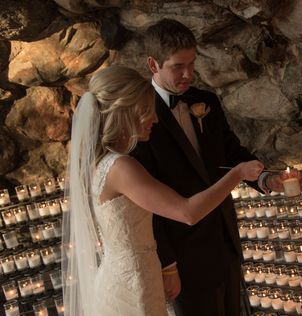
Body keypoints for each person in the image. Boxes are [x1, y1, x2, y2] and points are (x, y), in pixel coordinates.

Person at [62, 65, 264, 316]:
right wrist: (237, 174)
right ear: (125, 113)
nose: (155, 119)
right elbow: (188, 212)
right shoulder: (121, 167)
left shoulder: (102, 163)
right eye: (147, 111)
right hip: (133, 285)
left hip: (134, 275)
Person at [132, 18, 301, 316]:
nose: (188, 74)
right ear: (153, 64)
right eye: (178, 66)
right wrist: (167, 264)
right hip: (183, 256)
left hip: (224, 240)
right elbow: (146, 204)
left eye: (192, 64)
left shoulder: (205, 101)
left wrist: (266, 178)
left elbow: (231, 153)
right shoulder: (140, 117)